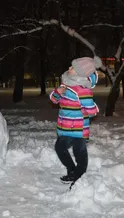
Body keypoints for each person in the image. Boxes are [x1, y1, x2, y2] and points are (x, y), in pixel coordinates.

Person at [49, 56, 102, 187]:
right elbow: (55, 100)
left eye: (72, 67)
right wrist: (57, 92)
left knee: (80, 154)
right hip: (64, 128)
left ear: (80, 73)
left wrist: (89, 108)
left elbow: (92, 111)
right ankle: (72, 169)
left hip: (78, 130)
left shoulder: (83, 90)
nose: (69, 68)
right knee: (60, 148)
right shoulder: (66, 83)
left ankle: (78, 176)